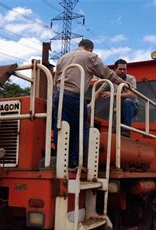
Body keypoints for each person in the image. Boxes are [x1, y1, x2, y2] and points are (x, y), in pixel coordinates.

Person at [52, 39, 128, 169]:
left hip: (59, 96)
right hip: (75, 97)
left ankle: (61, 161)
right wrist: (122, 83)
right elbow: (106, 73)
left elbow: (55, 80)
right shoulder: (90, 56)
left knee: (60, 128)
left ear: (80, 46)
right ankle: (76, 162)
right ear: (91, 49)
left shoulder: (63, 58)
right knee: (81, 129)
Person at [93, 59, 139, 136]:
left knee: (128, 101)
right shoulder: (110, 80)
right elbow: (98, 92)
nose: (122, 71)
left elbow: (132, 95)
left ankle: (126, 130)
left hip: (132, 106)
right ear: (115, 69)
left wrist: (113, 94)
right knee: (115, 131)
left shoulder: (131, 79)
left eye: (124, 69)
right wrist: (91, 103)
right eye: (120, 69)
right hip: (118, 108)